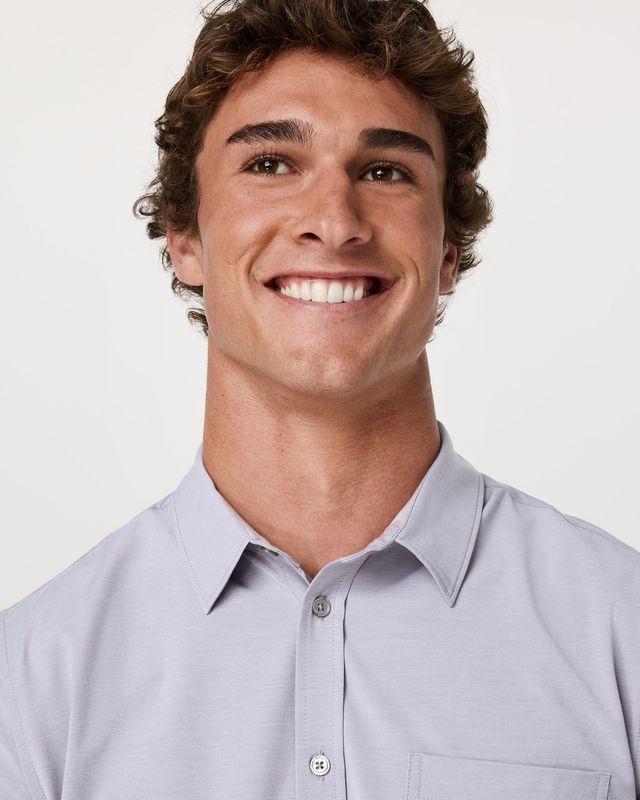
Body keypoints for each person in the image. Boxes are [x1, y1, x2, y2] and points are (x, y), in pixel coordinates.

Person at [1, 0, 639, 797]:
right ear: (185, 237)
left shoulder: (622, 630)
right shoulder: (31, 678)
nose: (335, 223)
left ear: (450, 250)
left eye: (386, 171)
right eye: (271, 164)